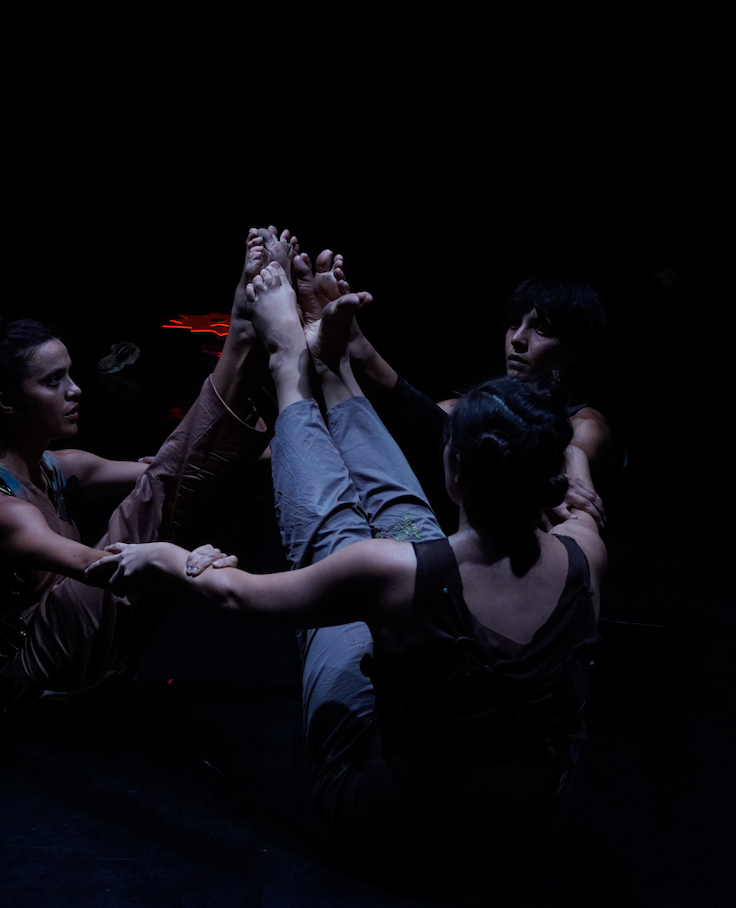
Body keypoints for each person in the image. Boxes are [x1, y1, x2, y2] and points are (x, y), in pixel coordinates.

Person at [89, 262, 607, 846]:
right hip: (518, 832)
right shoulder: (587, 552)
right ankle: (330, 369)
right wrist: (573, 462)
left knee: (342, 541)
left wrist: (166, 558)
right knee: (413, 543)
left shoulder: (387, 572)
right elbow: (570, 460)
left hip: (396, 826)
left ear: (456, 473)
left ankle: (290, 366)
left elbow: (238, 596)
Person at [0, 227, 297, 713]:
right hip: (23, 685)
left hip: (88, 662)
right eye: (53, 381)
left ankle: (247, 338)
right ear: (7, 404)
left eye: (70, 374)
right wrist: (185, 561)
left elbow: (175, 469)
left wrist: (294, 447)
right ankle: (241, 333)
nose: (75, 390)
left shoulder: (60, 467)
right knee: (155, 500)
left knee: (168, 478)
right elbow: (101, 568)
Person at [292, 248, 612, 534]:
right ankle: (355, 350)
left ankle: (359, 350)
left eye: (541, 328)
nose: (517, 339)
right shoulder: (457, 409)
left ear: (576, 350)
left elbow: (568, 452)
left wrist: (571, 462)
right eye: (515, 323)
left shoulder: (584, 424)